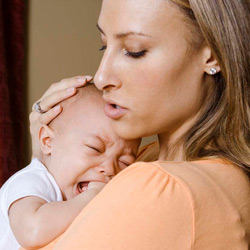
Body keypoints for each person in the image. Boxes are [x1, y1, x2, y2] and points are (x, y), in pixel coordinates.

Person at [23, 0, 250, 249]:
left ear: (212, 55)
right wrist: (50, 158)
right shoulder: (151, 160)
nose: (101, 78)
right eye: (104, 46)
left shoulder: (160, 186)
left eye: (134, 50)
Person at [0, 84, 140, 250]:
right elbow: (32, 232)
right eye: (95, 148)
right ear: (47, 141)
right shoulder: (30, 181)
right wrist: (92, 196)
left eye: (125, 162)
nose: (110, 169)